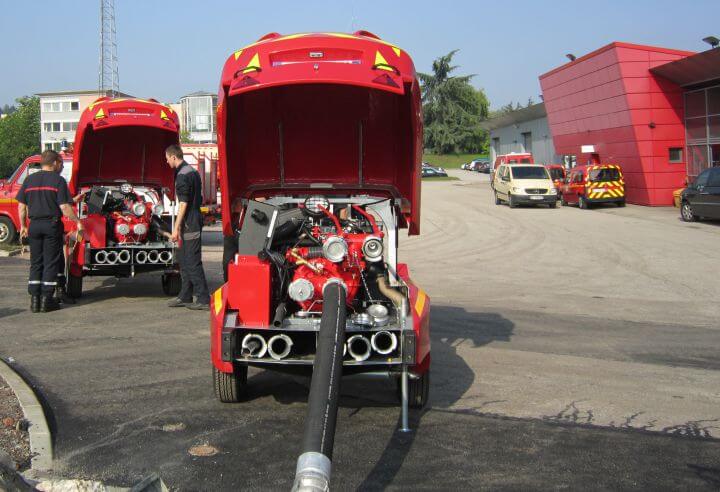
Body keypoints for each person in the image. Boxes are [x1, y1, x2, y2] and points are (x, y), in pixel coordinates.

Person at [16, 150, 84, 312]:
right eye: (60, 163)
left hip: (34, 226)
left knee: (36, 262)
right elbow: (64, 207)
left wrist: (23, 226)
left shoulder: (29, 180)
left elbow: (21, 207)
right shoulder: (58, 181)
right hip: (51, 225)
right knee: (51, 262)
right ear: (55, 163)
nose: (60, 166)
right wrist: (78, 222)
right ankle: (46, 300)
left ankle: (35, 301)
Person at [164, 144, 210, 310]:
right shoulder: (191, 171)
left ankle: (204, 298)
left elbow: (183, 204)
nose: (167, 161)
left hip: (190, 221)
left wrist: (175, 228)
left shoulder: (183, 176)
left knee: (192, 261)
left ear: (174, 157)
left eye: (167, 158)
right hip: (192, 219)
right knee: (183, 259)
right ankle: (185, 295)